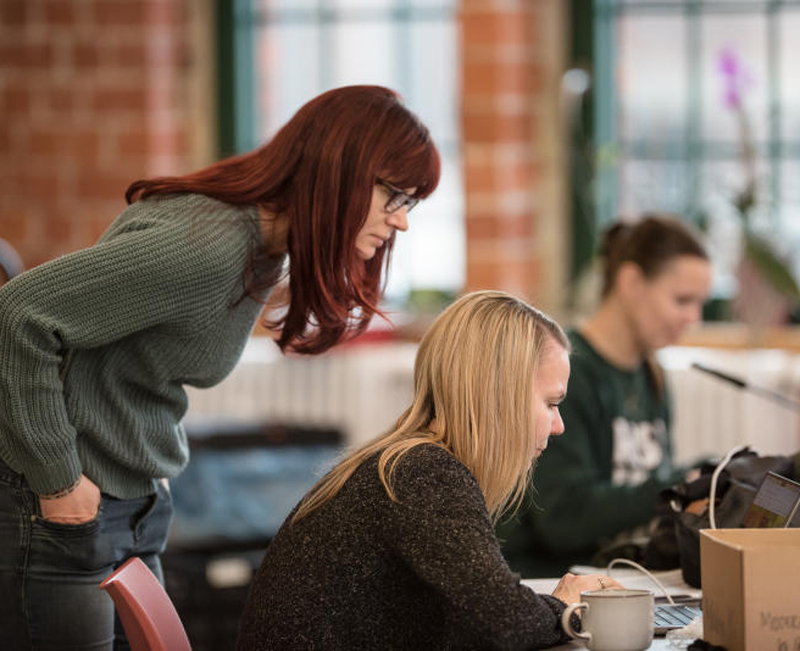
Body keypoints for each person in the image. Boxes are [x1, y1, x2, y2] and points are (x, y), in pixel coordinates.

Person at [0, 85, 440, 650]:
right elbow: (19, 315)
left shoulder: (262, 245)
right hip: (65, 510)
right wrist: (58, 477)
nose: (400, 222)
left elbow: (130, 366)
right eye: (394, 197)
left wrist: (143, 465)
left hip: (126, 504)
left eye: (412, 203)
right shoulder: (207, 245)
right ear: (342, 173)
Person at [236, 291, 623, 651]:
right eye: (552, 403)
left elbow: (482, 615)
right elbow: (508, 623)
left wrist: (550, 608)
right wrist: (566, 608)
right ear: (500, 393)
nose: (559, 426)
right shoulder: (426, 474)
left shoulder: (409, 462)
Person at [498, 214, 712, 578]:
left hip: (619, 575)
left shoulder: (652, 374)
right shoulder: (567, 372)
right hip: (547, 581)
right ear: (630, 282)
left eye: (700, 303)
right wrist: (676, 486)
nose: (694, 318)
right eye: (682, 300)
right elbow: (562, 518)